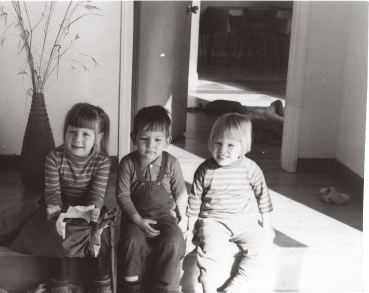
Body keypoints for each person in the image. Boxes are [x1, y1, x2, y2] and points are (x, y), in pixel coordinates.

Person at [9, 103, 112, 293]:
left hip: (89, 208)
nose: (77, 139)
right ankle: (59, 283)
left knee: (102, 235)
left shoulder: (102, 162)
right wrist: (56, 208)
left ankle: (102, 282)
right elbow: (53, 191)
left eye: (85, 134)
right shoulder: (54, 157)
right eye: (72, 132)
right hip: (60, 206)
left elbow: (96, 193)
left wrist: (91, 209)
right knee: (56, 234)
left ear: (99, 138)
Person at [186, 113, 276, 293]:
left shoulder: (251, 169)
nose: (222, 150)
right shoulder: (205, 170)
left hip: (245, 221)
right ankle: (208, 289)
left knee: (264, 247)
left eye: (231, 145)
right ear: (211, 142)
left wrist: (267, 225)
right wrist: (190, 228)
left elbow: (263, 196)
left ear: (244, 147)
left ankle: (236, 287)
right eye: (218, 143)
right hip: (214, 221)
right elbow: (194, 200)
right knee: (210, 252)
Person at [116, 105, 188, 293]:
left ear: (167, 141)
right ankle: (130, 285)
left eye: (157, 139)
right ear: (133, 138)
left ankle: (160, 285)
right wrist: (138, 221)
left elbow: (180, 192)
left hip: (164, 216)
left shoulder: (171, 163)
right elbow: (122, 196)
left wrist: (184, 218)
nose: (151, 145)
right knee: (131, 242)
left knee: (174, 241)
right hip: (134, 217)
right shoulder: (127, 163)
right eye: (144, 139)